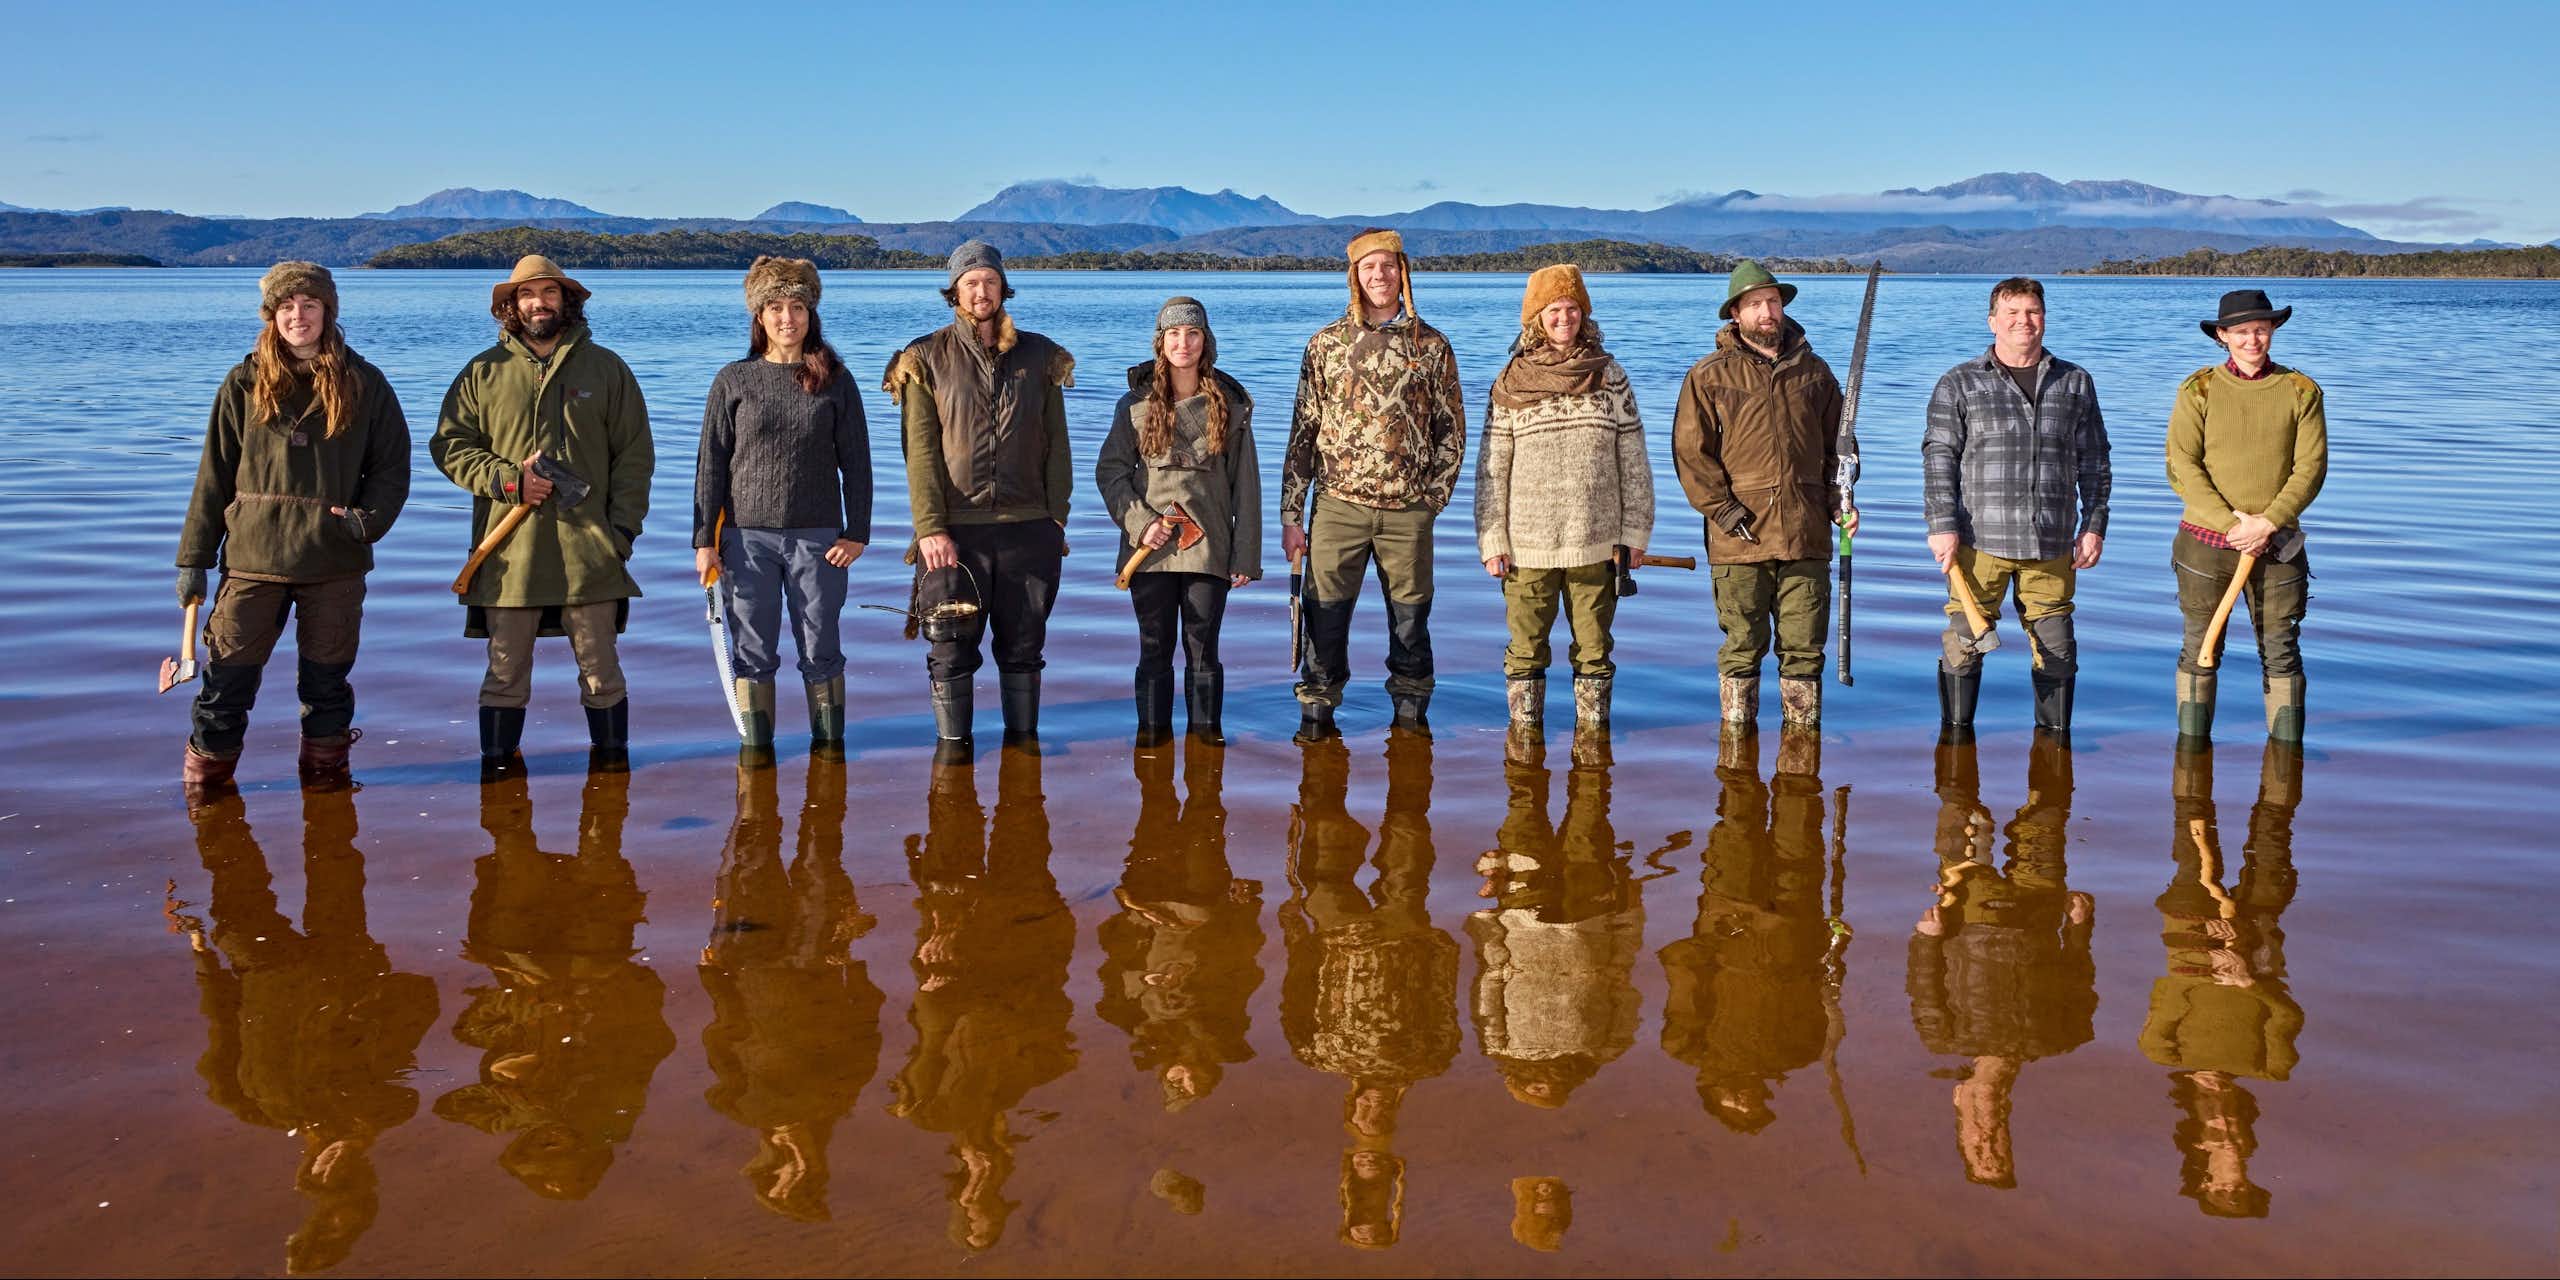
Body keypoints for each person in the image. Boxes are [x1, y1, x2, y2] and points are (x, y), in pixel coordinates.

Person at [174, 786, 438, 1273]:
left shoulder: (248, 1103)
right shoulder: (387, 1106)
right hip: (338, 957)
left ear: (300, 1175)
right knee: (332, 841)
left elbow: (221, 1022)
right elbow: (420, 997)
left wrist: (200, 953)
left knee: (225, 842)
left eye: (317, 1178)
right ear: (363, 1168)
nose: (327, 1163)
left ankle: (221, 782)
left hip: (262, 963)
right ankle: (319, 772)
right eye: (343, 1174)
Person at [175, 261, 410, 792]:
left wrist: (364, 523)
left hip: (334, 558)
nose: (297, 316)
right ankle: (205, 798)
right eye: (286, 307)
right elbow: (213, 475)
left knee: (326, 687)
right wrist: (193, 560)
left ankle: (326, 795)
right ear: (272, 316)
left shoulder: (364, 383)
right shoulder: (244, 382)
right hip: (253, 559)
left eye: (308, 305)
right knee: (225, 688)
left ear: (328, 312)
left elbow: (392, 468)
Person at [430, 255, 653, 772]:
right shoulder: (484, 372)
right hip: (508, 554)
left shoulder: (606, 368)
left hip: (591, 552)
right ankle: (498, 790)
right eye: (527, 295)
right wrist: (508, 481)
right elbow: (450, 446)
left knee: (602, 673)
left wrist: (621, 534)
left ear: (566, 300)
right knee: (505, 675)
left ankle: (612, 790)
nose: (539, 303)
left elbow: (635, 459)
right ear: (510, 306)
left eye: (549, 293)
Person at [435, 766, 675, 1200]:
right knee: (594, 869)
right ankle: (579, 784)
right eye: (557, 1148)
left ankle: (519, 799)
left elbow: (459, 1087)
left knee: (517, 890)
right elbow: (650, 1021)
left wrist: (518, 1062)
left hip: (533, 974)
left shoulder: (513, 1111)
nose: (553, 1140)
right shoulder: (612, 1107)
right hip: (590, 971)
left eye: (542, 1146)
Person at [884, 240, 1074, 752]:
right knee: (949, 648)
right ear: (955, 293)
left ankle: (1023, 758)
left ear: (1003, 287)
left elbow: (1058, 444)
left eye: (989, 280)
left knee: (1024, 648)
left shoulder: (1040, 355)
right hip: (954, 534)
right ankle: (953, 759)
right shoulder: (924, 357)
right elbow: (918, 453)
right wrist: (930, 528)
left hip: (1029, 527)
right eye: (970, 283)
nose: (981, 291)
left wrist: (1056, 517)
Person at [1280, 228, 1465, 739]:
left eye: (1387, 266)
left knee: (1410, 624)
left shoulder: (1430, 346)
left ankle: (1410, 730)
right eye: (1368, 268)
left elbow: (1452, 430)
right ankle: (1316, 728)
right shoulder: (1326, 344)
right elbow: (1303, 433)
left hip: (1408, 512)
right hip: (1338, 508)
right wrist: (1292, 515)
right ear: (1354, 277)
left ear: (1402, 273)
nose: (1378, 276)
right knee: (1324, 623)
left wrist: (1432, 500)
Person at [693, 256, 871, 754]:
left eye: (797, 306)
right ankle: (757, 762)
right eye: (775, 307)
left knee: (822, 650)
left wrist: (857, 532)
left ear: (811, 314)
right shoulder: (734, 380)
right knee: (753, 652)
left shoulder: (835, 379)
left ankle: (830, 756)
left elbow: (857, 463)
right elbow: (711, 465)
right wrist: (705, 540)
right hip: (745, 541)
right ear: (759, 316)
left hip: (819, 541)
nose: (787, 317)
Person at [1922, 277, 2111, 738]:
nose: (2023, 321)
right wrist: (1941, 525)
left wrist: (2094, 525)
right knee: (1964, 642)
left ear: (2043, 318)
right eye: (2012, 313)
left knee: (2057, 645)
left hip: (2051, 538)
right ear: (1993, 322)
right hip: (1977, 540)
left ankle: (2054, 750)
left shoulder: (2075, 382)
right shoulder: (1960, 382)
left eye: (2032, 312)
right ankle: (1955, 746)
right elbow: (1938, 457)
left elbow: (2096, 461)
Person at [1906, 735, 2098, 1188]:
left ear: (1958, 1102)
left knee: (1960, 807)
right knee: (2049, 806)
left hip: (1970, 908)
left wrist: (1928, 936)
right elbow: (2080, 983)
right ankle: (2050, 704)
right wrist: (2078, 928)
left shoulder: (1942, 1036)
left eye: (1978, 1145)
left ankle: (1959, 711)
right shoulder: (2059, 1039)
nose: (1988, 1135)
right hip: (2039, 907)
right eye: (1998, 1147)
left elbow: (1923, 980)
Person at [699, 753, 883, 1222]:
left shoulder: (738, 1105)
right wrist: (855, 970)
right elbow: (865, 1027)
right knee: (804, 850)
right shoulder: (838, 1101)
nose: (795, 1160)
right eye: (802, 1170)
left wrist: (713, 976)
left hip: (756, 967)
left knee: (765, 845)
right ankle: (771, 760)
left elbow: (722, 1035)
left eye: (785, 1170)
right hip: (805, 966)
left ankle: (768, 765)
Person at [1475, 264, 1653, 740]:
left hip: (1596, 544)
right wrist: (1492, 539)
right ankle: (1524, 758)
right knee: (1526, 651)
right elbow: (1492, 468)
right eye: (1554, 309)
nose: (1564, 318)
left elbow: (1633, 459)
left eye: (1573, 308)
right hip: (1527, 548)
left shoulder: (1610, 376)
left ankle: (1593, 758)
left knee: (1595, 652)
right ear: (1536, 317)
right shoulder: (1510, 383)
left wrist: (1635, 533)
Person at [1672, 261, 1851, 732]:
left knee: (1805, 649)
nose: (1767, 311)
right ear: (1735, 314)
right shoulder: (1708, 376)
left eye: (1773, 302)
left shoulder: (1814, 372)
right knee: (1742, 647)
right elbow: (1691, 456)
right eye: (1755, 304)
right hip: (1741, 540)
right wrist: (1726, 513)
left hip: (1806, 535)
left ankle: (1801, 752)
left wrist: (1840, 498)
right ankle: (1737, 756)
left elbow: (1842, 446)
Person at [2141, 739, 2306, 1217]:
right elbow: (2287, 1011)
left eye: (2218, 1139)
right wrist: (2247, 978)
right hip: (2258, 943)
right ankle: (2281, 761)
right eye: (2240, 1144)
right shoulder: (2272, 1068)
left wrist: (2215, 953)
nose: (2230, 1132)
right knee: (2273, 836)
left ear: (2200, 1156)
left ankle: (2193, 753)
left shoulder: (2163, 1053)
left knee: (2191, 837)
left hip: (2192, 936)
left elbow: (2167, 988)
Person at [1096, 296, 1261, 746]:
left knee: (1203, 651)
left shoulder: (1231, 405)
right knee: (1154, 650)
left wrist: (1245, 553)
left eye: (1192, 334)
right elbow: (1110, 473)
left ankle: (1207, 748)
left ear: (1205, 342)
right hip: (1149, 549)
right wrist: (1140, 522)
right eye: (1174, 334)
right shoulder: (1133, 405)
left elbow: (1244, 487)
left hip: (1209, 549)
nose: (1183, 342)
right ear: (1160, 342)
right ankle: (1151, 745)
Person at [2168, 289, 2327, 744]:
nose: (2252, 340)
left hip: (2277, 545)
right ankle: (2192, 769)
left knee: (2281, 652)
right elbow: (2181, 466)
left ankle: (2284, 769)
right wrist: (2232, 526)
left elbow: (2311, 468)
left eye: (2260, 329)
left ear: (2273, 330)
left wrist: (2269, 521)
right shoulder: (2198, 388)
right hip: (2204, 544)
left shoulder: (2302, 391)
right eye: (2240, 332)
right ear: (2222, 336)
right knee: (2200, 648)